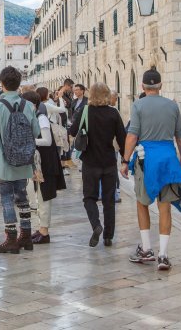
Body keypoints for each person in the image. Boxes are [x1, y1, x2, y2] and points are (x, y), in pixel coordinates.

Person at [120, 69, 181, 271]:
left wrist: (124, 160)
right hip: (167, 158)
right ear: (160, 86)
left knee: (142, 202)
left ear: (142, 86)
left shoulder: (138, 105)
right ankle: (164, 255)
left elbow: (132, 135)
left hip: (146, 159)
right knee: (164, 206)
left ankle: (147, 248)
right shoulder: (172, 106)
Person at [0, 66, 41, 254]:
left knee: (7, 200)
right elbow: (35, 132)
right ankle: (25, 236)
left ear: (2, 83)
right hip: (24, 160)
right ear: (19, 84)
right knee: (22, 197)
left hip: (4, 160)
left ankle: (11, 239)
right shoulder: (28, 106)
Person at [70, 83, 126, 247]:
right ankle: (108, 236)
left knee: (89, 197)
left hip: (90, 162)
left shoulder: (85, 111)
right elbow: (122, 139)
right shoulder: (113, 113)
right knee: (109, 200)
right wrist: (125, 160)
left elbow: (73, 131)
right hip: (108, 161)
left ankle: (96, 225)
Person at [26, 90, 66, 245]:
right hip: (41, 162)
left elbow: (47, 141)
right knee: (40, 196)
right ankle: (41, 228)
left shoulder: (41, 118)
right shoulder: (36, 117)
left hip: (46, 162)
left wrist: (30, 140)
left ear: (33, 104)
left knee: (44, 196)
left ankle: (44, 231)